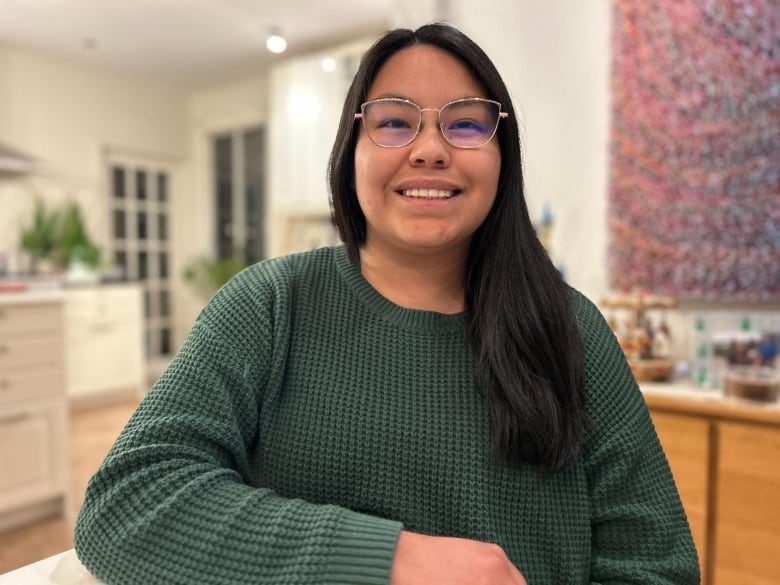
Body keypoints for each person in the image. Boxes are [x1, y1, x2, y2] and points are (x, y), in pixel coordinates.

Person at [74, 23, 699, 585]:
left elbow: (657, 565)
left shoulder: (571, 327)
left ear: (502, 155)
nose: (430, 148)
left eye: (465, 122)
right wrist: (387, 558)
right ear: (352, 152)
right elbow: (127, 502)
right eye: (395, 121)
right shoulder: (268, 305)